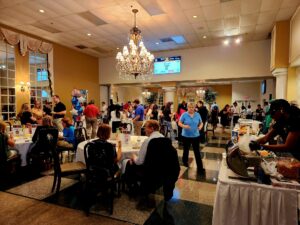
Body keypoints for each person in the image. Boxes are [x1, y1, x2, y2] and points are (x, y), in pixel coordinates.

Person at [124, 120, 164, 192]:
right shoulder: (164, 138)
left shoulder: (148, 141)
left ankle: (131, 186)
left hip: (148, 169)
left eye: (146, 128)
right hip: (160, 167)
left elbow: (139, 162)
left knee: (128, 162)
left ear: (151, 128)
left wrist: (133, 156)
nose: (144, 130)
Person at [178, 102, 205, 174]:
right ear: (187, 107)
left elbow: (201, 123)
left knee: (197, 152)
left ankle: (200, 167)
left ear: (194, 108)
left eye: (192, 107)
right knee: (186, 150)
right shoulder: (184, 114)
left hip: (195, 136)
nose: (191, 109)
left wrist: (200, 127)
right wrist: (184, 126)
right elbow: (179, 123)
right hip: (186, 136)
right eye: (189, 107)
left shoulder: (197, 114)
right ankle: (185, 161)